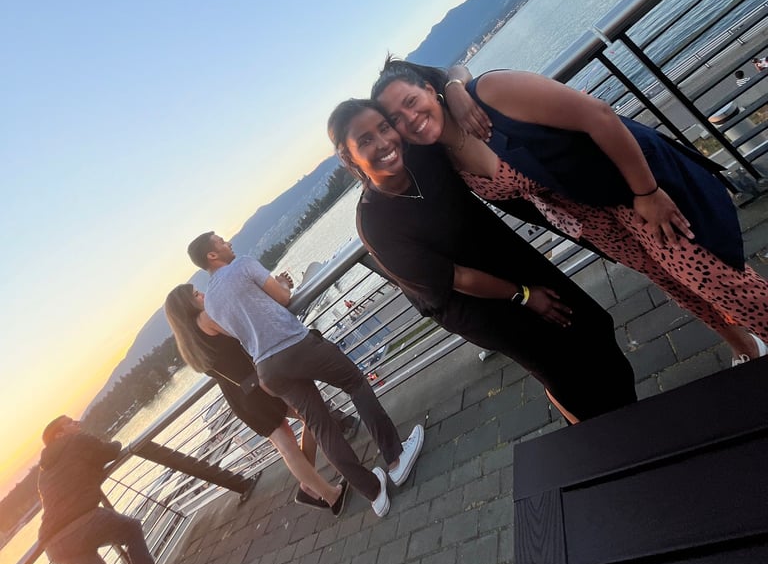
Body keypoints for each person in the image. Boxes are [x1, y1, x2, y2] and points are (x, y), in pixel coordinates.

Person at [372, 59, 768, 365]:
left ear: (430, 89)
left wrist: (646, 192)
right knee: (674, 283)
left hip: (628, 189)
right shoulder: (442, 158)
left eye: (411, 102)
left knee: (716, 279)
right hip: (593, 220)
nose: (410, 119)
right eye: (396, 120)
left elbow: (598, 116)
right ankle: (745, 347)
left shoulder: (488, 93)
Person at [328, 99, 637, 425]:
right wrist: (524, 295)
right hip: (476, 304)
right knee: (561, 368)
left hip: (507, 258)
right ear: (349, 157)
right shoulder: (375, 224)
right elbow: (456, 278)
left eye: (384, 127)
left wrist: (457, 91)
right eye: (365, 140)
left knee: (594, 326)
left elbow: (442, 87)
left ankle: (629, 414)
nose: (383, 143)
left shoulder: (421, 154)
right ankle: (603, 434)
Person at [186, 233, 424, 517]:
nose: (228, 243)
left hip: (268, 368)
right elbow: (283, 298)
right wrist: (283, 285)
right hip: (295, 345)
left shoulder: (211, 304)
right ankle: (396, 459)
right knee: (355, 383)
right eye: (221, 241)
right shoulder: (243, 265)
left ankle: (374, 493)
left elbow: (242, 329)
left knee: (320, 426)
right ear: (212, 255)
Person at [164, 283, 350, 513]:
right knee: (308, 420)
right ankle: (328, 495)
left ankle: (312, 489)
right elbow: (244, 325)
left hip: (242, 395)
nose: (202, 294)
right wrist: (278, 289)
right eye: (196, 294)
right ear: (187, 305)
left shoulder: (190, 344)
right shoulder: (206, 317)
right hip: (261, 383)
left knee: (289, 442)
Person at [37, 416, 179, 564]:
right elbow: (110, 451)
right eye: (71, 423)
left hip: (54, 545)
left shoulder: (44, 472)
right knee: (131, 529)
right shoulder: (76, 441)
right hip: (83, 522)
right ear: (59, 434)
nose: (77, 423)